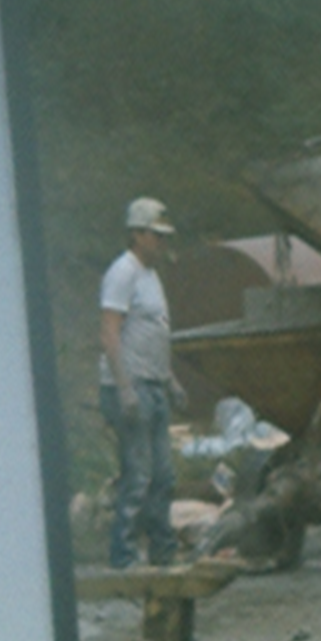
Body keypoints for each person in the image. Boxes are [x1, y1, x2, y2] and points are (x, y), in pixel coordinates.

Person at [99, 196, 188, 568]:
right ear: (137, 235)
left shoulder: (151, 277)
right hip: (131, 385)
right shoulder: (123, 273)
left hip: (153, 384)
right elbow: (109, 332)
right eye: (156, 236)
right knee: (139, 475)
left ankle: (163, 549)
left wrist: (171, 381)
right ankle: (123, 553)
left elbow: (151, 335)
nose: (162, 243)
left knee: (162, 475)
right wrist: (124, 388)